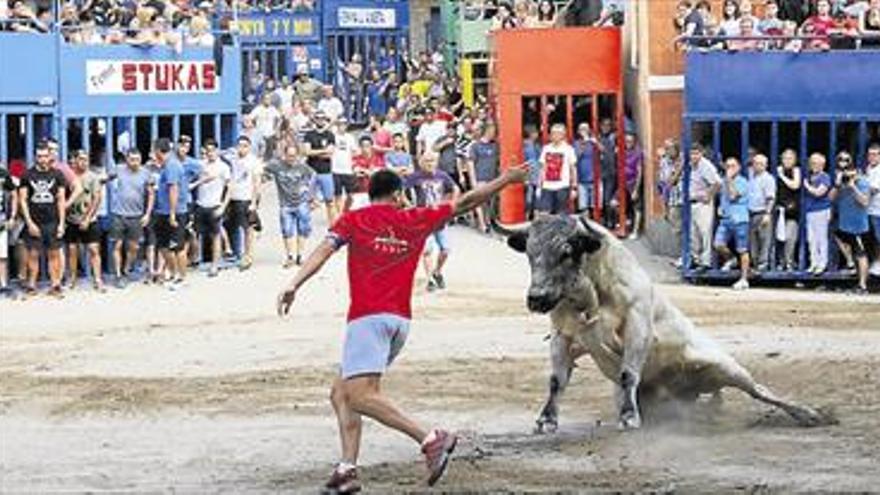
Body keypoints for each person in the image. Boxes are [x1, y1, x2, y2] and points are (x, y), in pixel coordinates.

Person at [276, 164, 529, 494]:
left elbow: (323, 252)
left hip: (366, 318)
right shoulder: (416, 218)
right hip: (399, 322)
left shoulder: (355, 219)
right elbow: (467, 202)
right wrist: (507, 179)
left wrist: (294, 283)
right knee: (341, 392)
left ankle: (430, 438)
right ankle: (347, 470)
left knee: (360, 395)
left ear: (372, 194)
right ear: (397, 194)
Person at [406, 152, 460, 292]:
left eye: (432, 161)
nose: (430, 163)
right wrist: (411, 207)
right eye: (427, 161)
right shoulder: (415, 177)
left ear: (436, 162)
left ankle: (437, 272)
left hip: (439, 218)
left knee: (445, 250)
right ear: (421, 163)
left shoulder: (442, 176)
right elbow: (401, 191)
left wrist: (451, 204)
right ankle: (430, 279)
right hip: (423, 218)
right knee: (427, 250)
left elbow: (455, 188)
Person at [18, 143, 67, 298]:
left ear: (50, 156)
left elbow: (60, 200)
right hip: (35, 222)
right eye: (39, 156)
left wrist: (61, 223)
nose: (43, 159)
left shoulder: (58, 174)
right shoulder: (27, 175)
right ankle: (32, 285)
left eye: (45, 156)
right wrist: (29, 223)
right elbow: (23, 200)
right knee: (33, 254)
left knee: (54, 254)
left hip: (52, 221)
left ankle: (55, 285)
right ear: (35, 157)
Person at [264, 143, 316, 268]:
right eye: (289, 156)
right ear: (284, 155)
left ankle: (300, 255)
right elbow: (263, 167)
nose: (291, 158)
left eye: (294, 156)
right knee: (287, 230)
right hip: (285, 204)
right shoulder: (277, 166)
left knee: (302, 230)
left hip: (301, 202)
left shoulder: (302, 167)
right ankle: (290, 256)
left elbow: (313, 176)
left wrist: (309, 193)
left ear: (297, 155)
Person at [108, 149, 154, 288]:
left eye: (137, 159)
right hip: (119, 214)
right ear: (126, 160)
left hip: (136, 215)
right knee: (117, 245)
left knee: (134, 246)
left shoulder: (146, 173)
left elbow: (151, 194)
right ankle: (118, 275)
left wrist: (147, 214)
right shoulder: (119, 169)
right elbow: (105, 178)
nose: (134, 162)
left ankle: (126, 269)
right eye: (132, 159)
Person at [64, 150, 105, 292]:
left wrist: (87, 219)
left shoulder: (92, 177)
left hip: (89, 219)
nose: (84, 162)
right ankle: (73, 279)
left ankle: (98, 279)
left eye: (86, 159)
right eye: (81, 159)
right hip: (71, 219)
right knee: (72, 250)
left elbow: (97, 198)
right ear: (74, 160)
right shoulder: (69, 177)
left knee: (94, 249)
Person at [830, 153, 870, 293]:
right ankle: (850, 264)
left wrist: (853, 186)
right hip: (844, 224)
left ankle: (863, 285)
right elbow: (831, 198)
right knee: (836, 236)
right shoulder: (841, 183)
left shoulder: (863, 182)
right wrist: (838, 184)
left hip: (858, 226)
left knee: (861, 254)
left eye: (847, 162)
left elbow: (865, 202)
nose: (848, 174)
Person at [152, 138, 188, 290]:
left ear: (159, 151)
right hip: (162, 211)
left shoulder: (172, 166)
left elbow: (174, 189)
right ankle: (173, 274)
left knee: (177, 247)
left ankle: (181, 277)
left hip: (174, 212)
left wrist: (172, 214)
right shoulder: (165, 166)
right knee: (163, 246)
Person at [223, 136, 262, 271]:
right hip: (233, 197)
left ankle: (248, 255)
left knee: (247, 229)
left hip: (246, 198)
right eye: (240, 145)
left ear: (249, 147)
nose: (242, 148)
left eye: (245, 145)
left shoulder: (253, 162)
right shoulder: (233, 158)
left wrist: (254, 203)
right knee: (230, 226)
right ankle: (235, 252)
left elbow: (257, 183)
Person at [714, 158, 751, 290]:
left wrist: (729, 180)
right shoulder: (724, 181)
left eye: (733, 166)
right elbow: (722, 197)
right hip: (726, 219)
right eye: (728, 166)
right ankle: (731, 259)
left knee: (742, 249)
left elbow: (733, 195)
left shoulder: (743, 182)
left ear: (739, 167)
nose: (730, 168)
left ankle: (744, 278)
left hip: (740, 219)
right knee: (718, 244)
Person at [687, 144, 722, 270]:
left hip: (703, 204)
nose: (694, 156)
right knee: (694, 233)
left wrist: (708, 195)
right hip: (694, 203)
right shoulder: (692, 166)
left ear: (701, 153)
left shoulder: (706, 166)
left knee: (705, 233)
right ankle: (696, 260)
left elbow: (718, 183)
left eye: (696, 153)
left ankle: (706, 262)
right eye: (692, 153)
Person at [303, 111, 337, 225]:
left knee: (330, 201)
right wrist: (323, 151)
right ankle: (304, 224)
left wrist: (315, 152)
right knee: (307, 200)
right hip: (310, 171)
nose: (320, 120)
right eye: (318, 118)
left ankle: (332, 225)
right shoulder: (309, 135)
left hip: (326, 171)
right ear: (314, 119)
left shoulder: (330, 135)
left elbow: (330, 153)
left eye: (322, 118)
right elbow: (307, 152)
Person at [538, 123, 578, 216]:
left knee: (561, 214)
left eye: (557, 133)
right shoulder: (546, 148)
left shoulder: (568, 149)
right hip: (547, 186)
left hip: (562, 186)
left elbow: (573, 169)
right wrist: (540, 185)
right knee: (544, 213)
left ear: (562, 135)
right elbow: (543, 168)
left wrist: (574, 187)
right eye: (552, 133)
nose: (554, 136)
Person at [803, 153, 833, 275]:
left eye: (816, 163)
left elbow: (819, 193)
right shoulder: (810, 176)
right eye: (812, 163)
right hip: (810, 211)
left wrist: (806, 186)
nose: (813, 165)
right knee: (811, 239)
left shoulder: (825, 177)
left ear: (822, 165)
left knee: (821, 238)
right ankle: (813, 263)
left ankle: (822, 264)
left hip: (821, 210)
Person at [467, 124, 501, 232]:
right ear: (486, 131)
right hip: (480, 177)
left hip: (492, 177)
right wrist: (473, 180)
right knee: (479, 201)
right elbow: (470, 163)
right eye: (492, 131)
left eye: (495, 131)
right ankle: (482, 224)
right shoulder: (475, 145)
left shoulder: (495, 145)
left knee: (490, 201)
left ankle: (487, 221)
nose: (493, 133)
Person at [747, 154, 776, 272]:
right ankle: (755, 265)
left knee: (765, 240)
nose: (758, 166)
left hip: (762, 212)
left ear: (766, 165)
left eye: (761, 164)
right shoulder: (750, 176)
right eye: (756, 163)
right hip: (750, 213)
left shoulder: (768, 178)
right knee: (753, 241)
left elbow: (770, 198)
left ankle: (763, 265)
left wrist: (767, 214)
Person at [775, 149, 801, 271]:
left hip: (792, 210)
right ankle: (781, 262)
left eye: (790, 158)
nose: (787, 160)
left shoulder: (796, 170)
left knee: (790, 237)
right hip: (779, 209)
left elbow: (795, 185)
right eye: (784, 157)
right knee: (779, 237)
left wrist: (781, 176)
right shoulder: (777, 170)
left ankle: (789, 262)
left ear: (795, 160)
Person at [331, 117, 359, 214]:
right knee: (337, 195)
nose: (341, 126)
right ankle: (340, 215)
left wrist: (352, 161)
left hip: (348, 169)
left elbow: (356, 151)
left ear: (346, 126)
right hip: (335, 169)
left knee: (351, 195)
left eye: (343, 124)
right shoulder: (333, 136)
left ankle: (346, 211)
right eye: (339, 124)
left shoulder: (350, 137)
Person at [0, 164, 19, 298]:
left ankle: (3, 285)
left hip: (1, 221)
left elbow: (14, 193)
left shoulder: (2, 172)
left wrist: (12, 216)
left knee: (2, 256)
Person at [573, 123, 599, 217]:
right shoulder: (576, 143)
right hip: (581, 179)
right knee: (583, 207)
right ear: (578, 132)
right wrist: (584, 143)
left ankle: (595, 227)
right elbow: (575, 157)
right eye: (581, 129)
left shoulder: (594, 142)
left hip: (595, 179)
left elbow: (604, 153)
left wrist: (595, 143)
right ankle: (586, 229)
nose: (584, 131)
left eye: (586, 129)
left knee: (595, 207)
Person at [865, 143, 880, 276]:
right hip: (869, 209)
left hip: (878, 210)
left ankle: (878, 264)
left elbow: (873, 189)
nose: (872, 157)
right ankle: (875, 263)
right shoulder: (869, 168)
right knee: (873, 238)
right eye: (870, 154)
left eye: (875, 154)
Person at [523, 125, 542, 220]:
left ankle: (535, 217)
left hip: (537, 174)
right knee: (529, 199)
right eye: (535, 133)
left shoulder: (537, 145)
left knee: (537, 198)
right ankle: (527, 217)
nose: (537, 134)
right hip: (530, 174)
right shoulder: (525, 145)